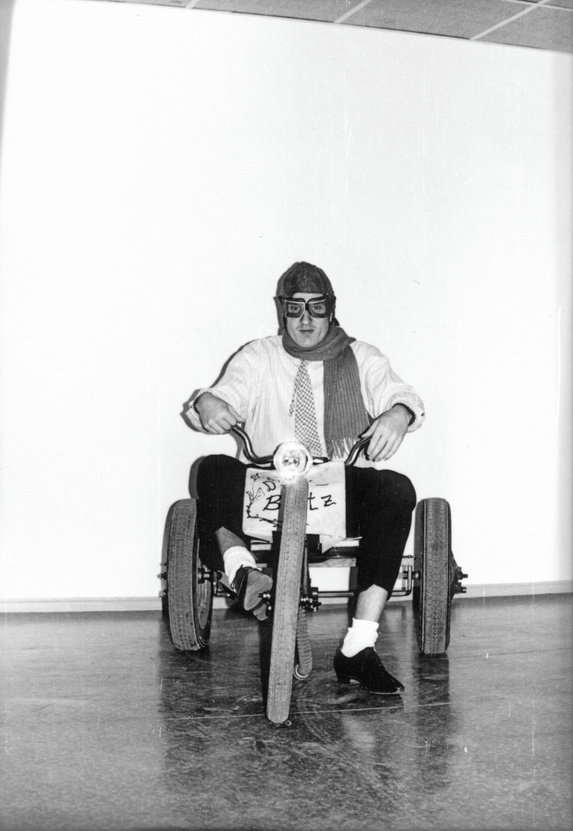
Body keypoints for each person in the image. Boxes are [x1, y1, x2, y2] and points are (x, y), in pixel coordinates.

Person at [186, 261, 425, 695]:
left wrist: (397, 414)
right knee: (213, 470)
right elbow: (221, 394)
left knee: (396, 488)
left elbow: (401, 394)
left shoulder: (362, 356)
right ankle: (246, 577)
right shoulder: (258, 356)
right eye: (295, 308)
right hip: (267, 488)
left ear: (331, 308)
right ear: (282, 310)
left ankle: (359, 645)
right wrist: (208, 403)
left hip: (337, 488)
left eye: (316, 307)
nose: (306, 319)